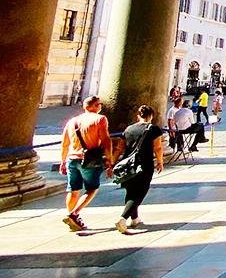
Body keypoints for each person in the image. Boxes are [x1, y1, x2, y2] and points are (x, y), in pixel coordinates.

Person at [59, 96, 114, 231]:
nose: (100, 106)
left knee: (73, 190)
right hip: (90, 159)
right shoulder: (100, 119)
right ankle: (74, 214)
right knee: (91, 188)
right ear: (95, 106)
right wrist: (109, 159)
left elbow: (65, 143)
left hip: (72, 158)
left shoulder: (72, 121)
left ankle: (72, 219)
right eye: (99, 104)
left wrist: (63, 161)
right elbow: (106, 141)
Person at [115, 105, 164, 233]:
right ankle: (123, 218)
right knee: (140, 192)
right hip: (145, 164)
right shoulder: (153, 129)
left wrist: (112, 162)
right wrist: (160, 161)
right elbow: (158, 147)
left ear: (138, 116)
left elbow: (120, 148)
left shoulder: (129, 129)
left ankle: (135, 218)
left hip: (128, 164)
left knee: (131, 191)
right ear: (151, 116)